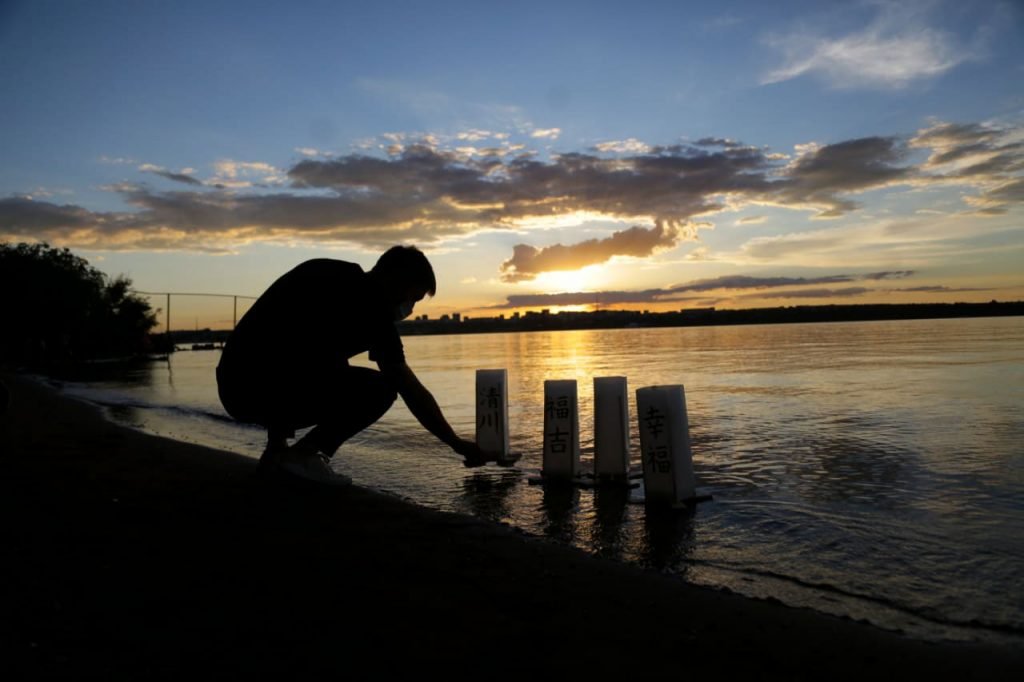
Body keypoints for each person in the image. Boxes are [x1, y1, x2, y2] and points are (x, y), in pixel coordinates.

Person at [216, 246, 491, 484]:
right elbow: (408, 387)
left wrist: (276, 443)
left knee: (330, 365)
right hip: (261, 387)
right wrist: (455, 443)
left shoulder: (325, 272)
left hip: (234, 385)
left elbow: (289, 348)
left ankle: (280, 453)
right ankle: (304, 455)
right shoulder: (372, 309)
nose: (408, 309)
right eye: (411, 299)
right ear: (394, 280)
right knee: (380, 390)